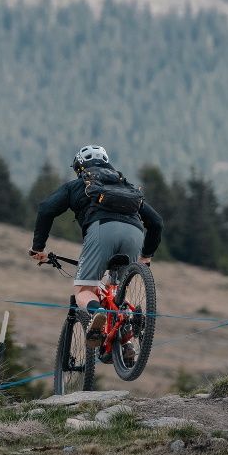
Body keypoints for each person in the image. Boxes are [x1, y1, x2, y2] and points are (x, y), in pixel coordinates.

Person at [29, 145, 163, 362]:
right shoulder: (126, 187)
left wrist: (38, 248)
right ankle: (126, 338)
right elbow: (156, 222)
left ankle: (96, 312)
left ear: (79, 167)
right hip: (135, 233)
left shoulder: (79, 184)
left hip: (102, 230)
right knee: (117, 287)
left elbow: (46, 209)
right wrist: (146, 256)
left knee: (83, 289)